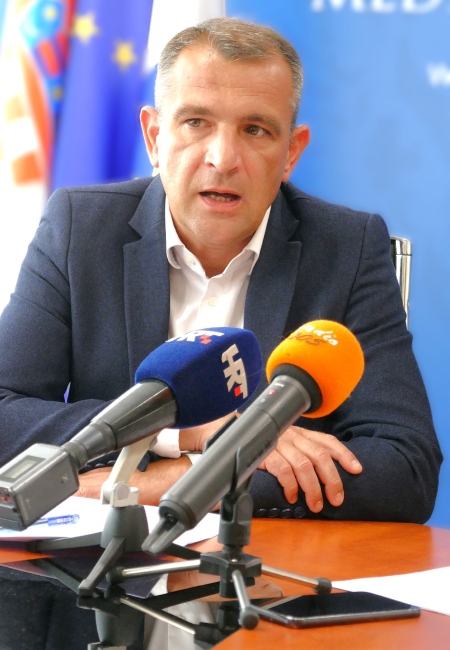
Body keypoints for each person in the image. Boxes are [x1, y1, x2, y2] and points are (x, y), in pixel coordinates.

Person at [0, 17, 442, 523]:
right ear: (154, 137)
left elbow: (406, 468)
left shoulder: (347, 248)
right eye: (196, 122)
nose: (223, 158)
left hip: (263, 566)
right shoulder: (80, 227)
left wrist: (153, 484)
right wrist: (196, 431)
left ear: (291, 153)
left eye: (255, 130)